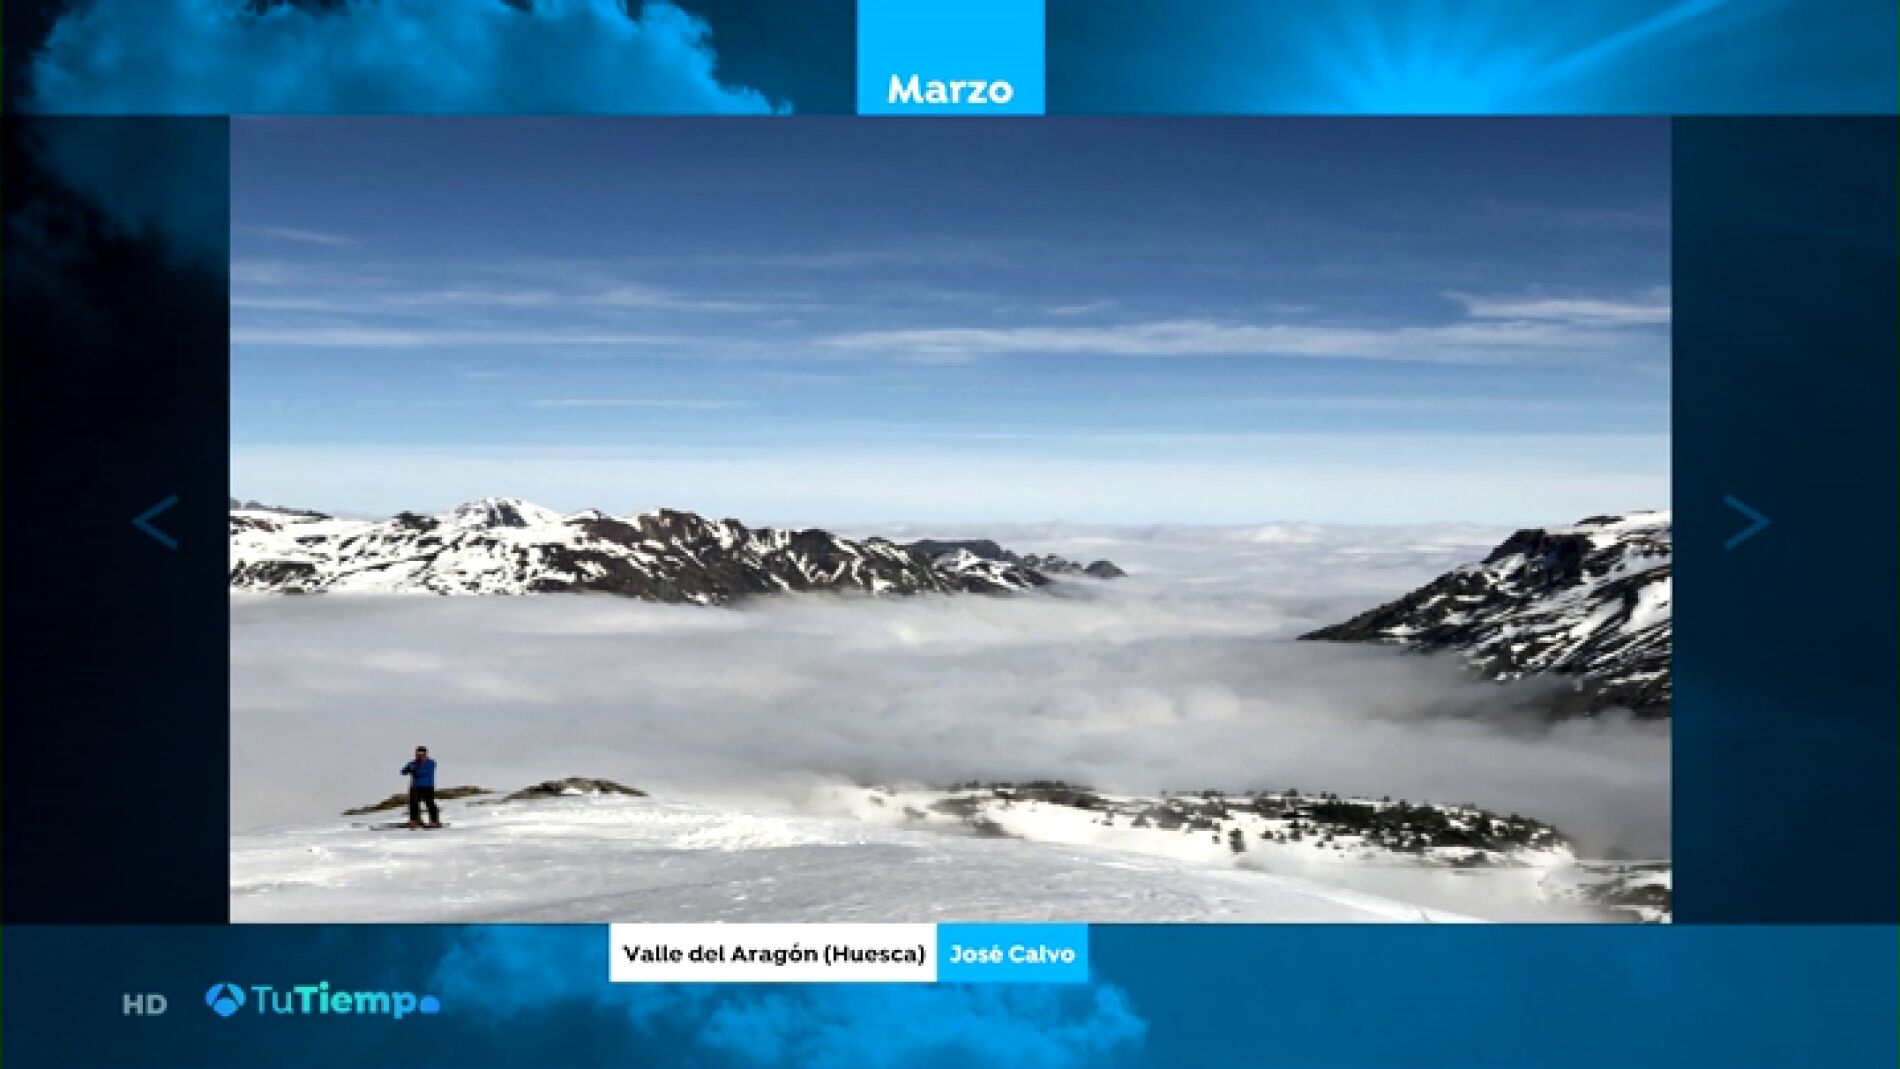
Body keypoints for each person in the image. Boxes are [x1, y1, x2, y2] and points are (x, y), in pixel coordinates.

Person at [400, 746, 440, 828]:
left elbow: (426, 772)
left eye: (422, 754)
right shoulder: (413, 763)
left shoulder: (431, 763)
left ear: (426, 754)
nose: (420, 756)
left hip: (427, 787)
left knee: (429, 803)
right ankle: (414, 820)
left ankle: (434, 821)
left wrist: (415, 770)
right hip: (415, 787)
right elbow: (403, 771)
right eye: (418, 754)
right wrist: (408, 769)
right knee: (413, 804)